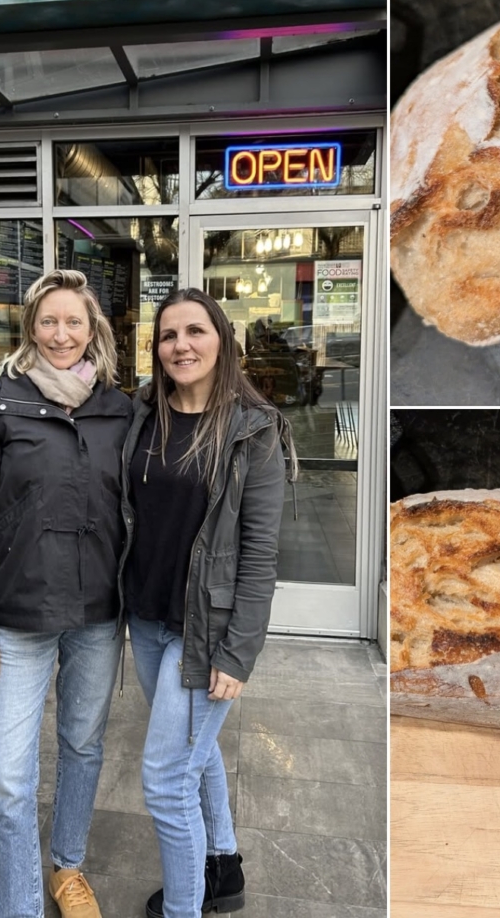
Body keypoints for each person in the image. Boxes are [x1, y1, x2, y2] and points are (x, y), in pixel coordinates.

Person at [0, 269, 132, 918]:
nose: (61, 334)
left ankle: (68, 868)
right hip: (17, 616)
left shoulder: (119, 408)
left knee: (83, 747)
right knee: (8, 777)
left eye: (73, 321)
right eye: (49, 321)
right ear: (31, 327)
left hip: (96, 615)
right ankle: (18, 906)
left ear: (92, 329)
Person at [119, 287, 294, 918]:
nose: (181, 345)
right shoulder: (142, 414)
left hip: (207, 632)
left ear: (222, 340)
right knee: (196, 751)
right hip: (147, 620)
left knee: (166, 780)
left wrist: (238, 653)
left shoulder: (255, 430)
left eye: (196, 331)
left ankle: (184, 909)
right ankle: (222, 867)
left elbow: (260, 555)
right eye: (169, 335)